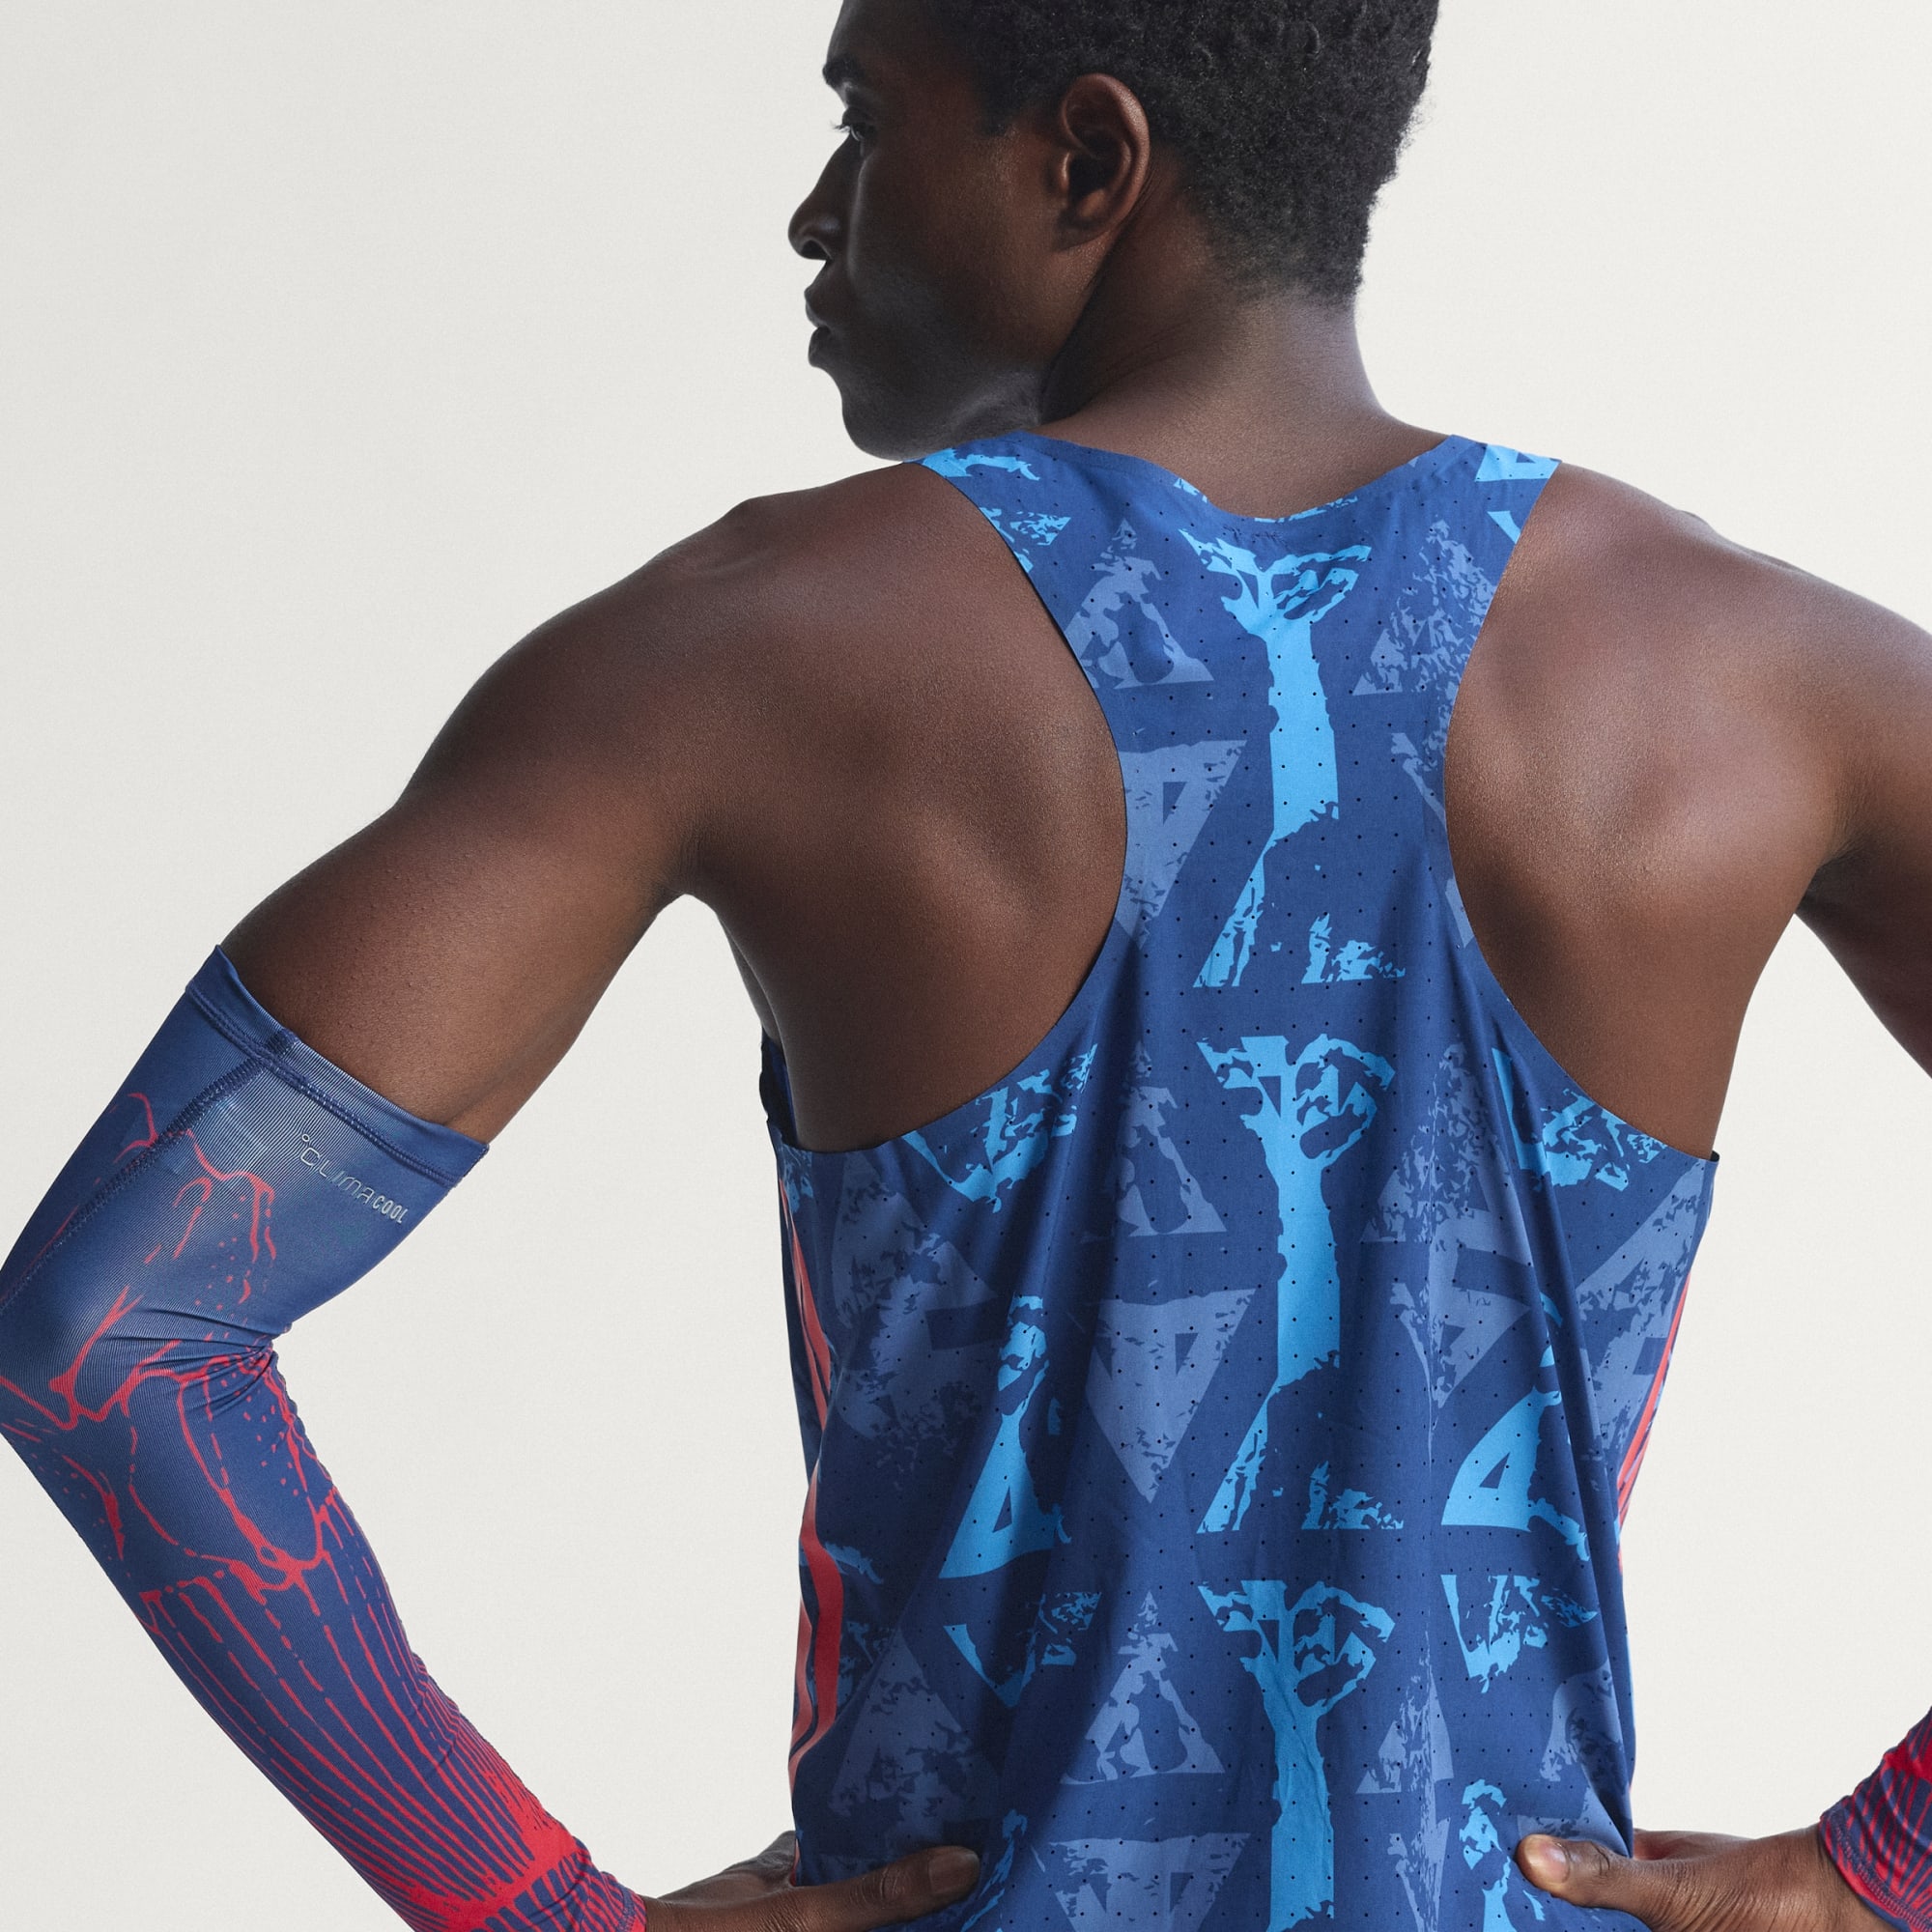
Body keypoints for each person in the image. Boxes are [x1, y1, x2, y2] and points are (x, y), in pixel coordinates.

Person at [2, 0, 1928, 1928]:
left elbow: (111, 1333)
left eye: (864, 118)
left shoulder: (742, 648)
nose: (813, 209)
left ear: (1087, 159)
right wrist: (1892, 1863)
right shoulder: (1757, 676)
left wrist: (538, 1913)